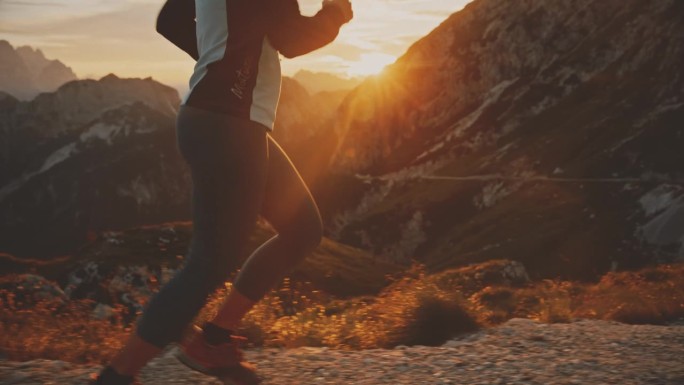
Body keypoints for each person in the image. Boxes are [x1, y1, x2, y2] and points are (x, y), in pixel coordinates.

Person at [90, 0, 353, 384]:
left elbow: (170, 20)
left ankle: (212, 341)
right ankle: (119, 375)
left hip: (219, 120)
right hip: (231, 126)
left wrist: (222, 56)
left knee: (302, 229)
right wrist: (337, 11)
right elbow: (292, 38)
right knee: (209, 261)